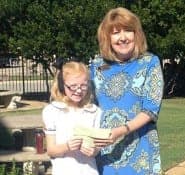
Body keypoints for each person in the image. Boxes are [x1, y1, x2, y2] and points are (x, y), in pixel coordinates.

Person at [90, 7, 164, 175]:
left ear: (136, 34)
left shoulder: (149, 63)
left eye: (128, 31)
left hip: (141, 152)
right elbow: (88, 106)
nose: (122, 37)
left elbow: (150, 110)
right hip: (105, 152)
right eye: (116, 33)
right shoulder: (97, 65)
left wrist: (120, 131)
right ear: (107, 37)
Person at [42, 59, 101, 175]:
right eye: (73, 86)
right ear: (61, 85)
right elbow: (51, 150)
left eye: (83, 86)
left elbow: (98, 147)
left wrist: (94, 151)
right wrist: (67, 146)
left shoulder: (94, 112)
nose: (79, 90)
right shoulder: (52, 111)